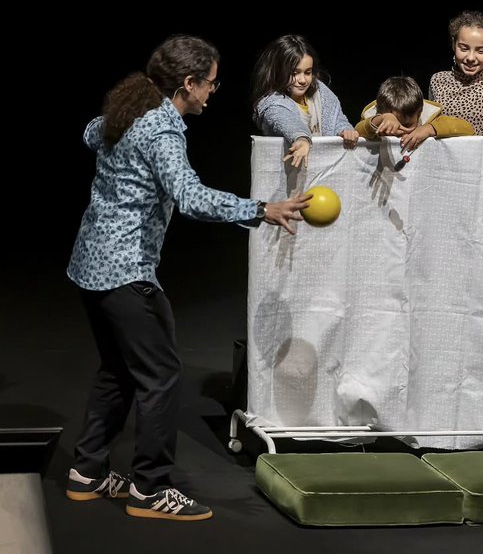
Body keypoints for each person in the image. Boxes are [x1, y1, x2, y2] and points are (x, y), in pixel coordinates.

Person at [66, 35, 312, 521]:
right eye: (210, 84)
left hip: (89, 266)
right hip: (125, 272)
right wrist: (261, 209)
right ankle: (150, 488)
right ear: (188, 83)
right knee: (160, 377)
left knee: (118, 371)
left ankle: (87, 473)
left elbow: (91, 134)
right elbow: (191, 197)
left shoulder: (129, 108)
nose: (213, 92)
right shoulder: (163, 129)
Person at [252, 34, 359, 169]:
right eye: (294, 73)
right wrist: (302, 139)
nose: (302, 80)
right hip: (291, 178)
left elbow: (337, 119)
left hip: (324, 172)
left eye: (307, 72)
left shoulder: (321, 92)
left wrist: (345, 130)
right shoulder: (273, 103)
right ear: (279, 71)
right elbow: (286, 121)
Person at [356, 76, 474, 152]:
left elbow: (468, 129)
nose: (398, 131)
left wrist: (429, 128)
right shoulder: (376, 118)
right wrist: (381, 120)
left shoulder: (428, 119)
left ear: (419, 114)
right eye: (393, 124)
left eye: (407, 125)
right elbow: (358, 131)